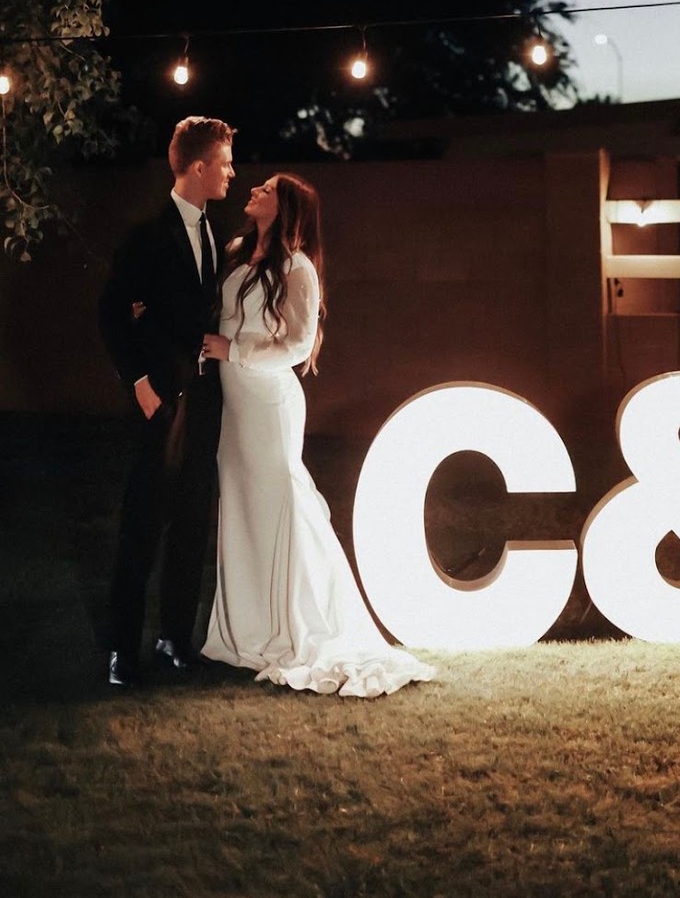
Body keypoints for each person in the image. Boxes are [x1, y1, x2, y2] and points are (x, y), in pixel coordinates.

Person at [200, 173, 434, 697]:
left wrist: (234, 351)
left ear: (284, 208)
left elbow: (299, 345)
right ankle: (249, 629)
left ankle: (302, 624)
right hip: (233, 405)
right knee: (241, 505)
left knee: (281, 499)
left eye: (266, 189)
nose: (254, 190)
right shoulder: (237, 252)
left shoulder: (298, 267)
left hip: (269, 404)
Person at [98, 116, 236, 688]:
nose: (231, 172)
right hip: (162, 404)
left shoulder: (214, 231)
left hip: (204, 402)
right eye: (225, 162)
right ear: (198, 167)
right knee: (141, 528)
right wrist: (141, 386)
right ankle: (120, 653)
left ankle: (174, 640)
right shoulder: (147, 236)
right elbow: (111, 313)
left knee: (190, 527)